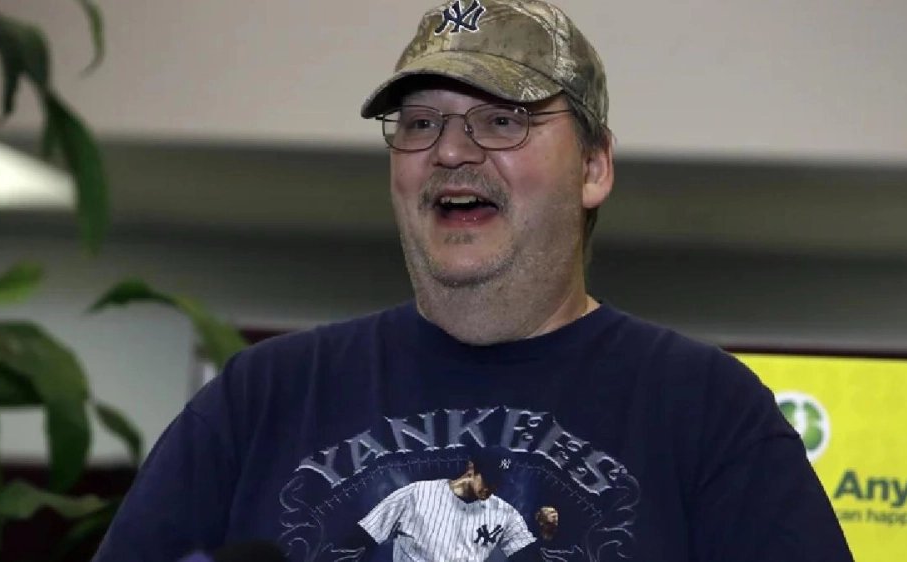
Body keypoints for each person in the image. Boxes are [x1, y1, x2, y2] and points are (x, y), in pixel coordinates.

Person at [94, 1, 854, 561]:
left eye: (502, 120)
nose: (451, 151)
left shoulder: (705, 410)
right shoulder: (260, 400)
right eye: (420, 124)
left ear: (593, 167)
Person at [355, 447, 535, 561]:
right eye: (489, 480)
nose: (492, 487)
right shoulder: (416, 494)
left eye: (498, 483)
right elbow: (361, 540)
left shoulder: (505, 513)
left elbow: (527, 556)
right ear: (471, 469)